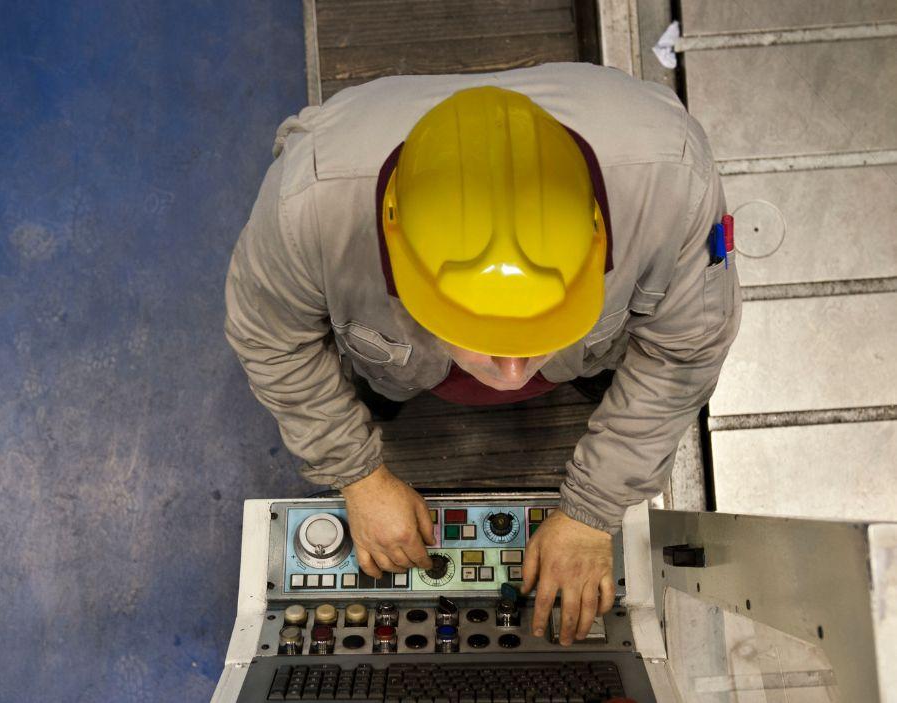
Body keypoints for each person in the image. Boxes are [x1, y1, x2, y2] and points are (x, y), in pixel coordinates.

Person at [224, 63, 740, 645]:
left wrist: (594, 509)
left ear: (599, 233)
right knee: (372, 393)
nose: (515, 376)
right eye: (481, 338)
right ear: (400, 262)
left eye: (543, 331)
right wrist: (358, 474)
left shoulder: (673, 184)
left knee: (607, 377)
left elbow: (686, 352)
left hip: (598, 347)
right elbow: (270, 338)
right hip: (391, 363)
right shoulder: (306, 205)